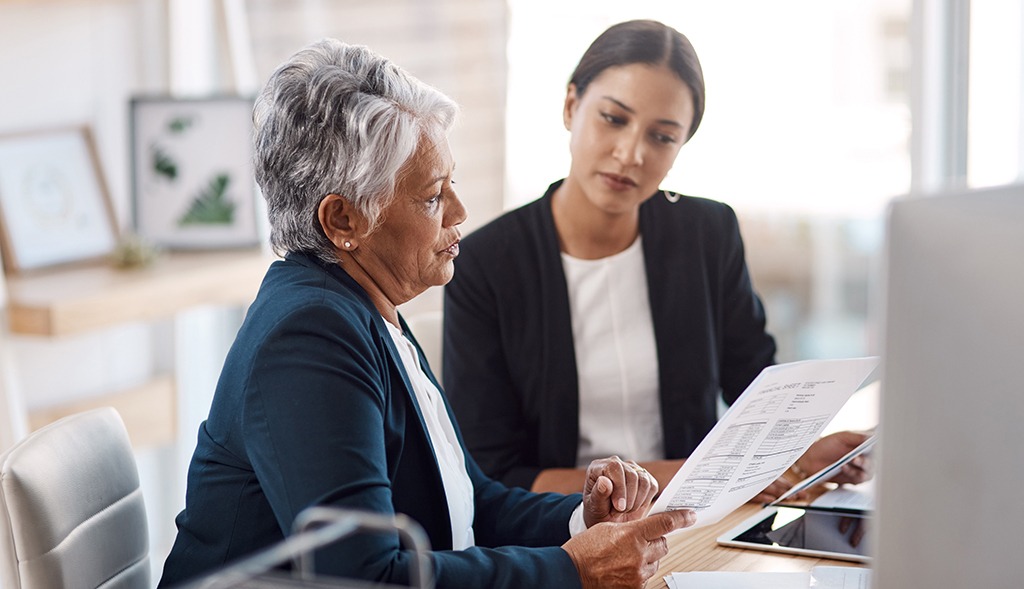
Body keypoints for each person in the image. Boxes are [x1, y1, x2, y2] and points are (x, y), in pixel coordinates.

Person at [158, 38, 696, 589]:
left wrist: (583, 520)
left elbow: (468, 501)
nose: (459, 211)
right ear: (343, 220)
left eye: (450, 184)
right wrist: (574, 569)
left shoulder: (363, 306)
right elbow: (367, 578)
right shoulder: (308, 336)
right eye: (433, 196)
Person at [443, 20, 872, 497]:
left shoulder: (707, 233)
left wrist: (802, 456)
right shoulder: (486, 264)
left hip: (699, 519)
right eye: (614, 118)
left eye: (662, 137)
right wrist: (690, 477)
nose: (632, 154)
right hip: (565, 529)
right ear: (571, 106)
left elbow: (755, 390)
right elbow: (492, 473)